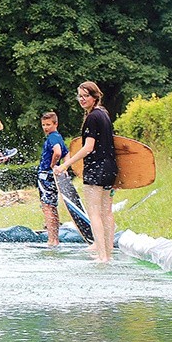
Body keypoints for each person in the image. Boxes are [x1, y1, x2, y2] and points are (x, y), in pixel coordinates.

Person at [54, 81, 117, 262]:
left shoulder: (92, 118)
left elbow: (88, 147)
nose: (82, 99)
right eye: (80, 96)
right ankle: (108, 254)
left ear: (95, 96)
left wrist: (65, 165)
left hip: (96, 169)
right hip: (110, 168)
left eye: (86, 96)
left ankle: (102, 256)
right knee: (106, 212)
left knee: (94, 213)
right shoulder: (104, 114)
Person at [38, 112, 69, 247]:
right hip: (53, 176)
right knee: (52, 205)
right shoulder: (59, 137)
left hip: (46, 174)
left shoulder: (52, 137)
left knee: (47, 206)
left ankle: (52, 240)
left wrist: (52, 164)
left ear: (55, 124)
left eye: (48, 125)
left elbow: (58, 152)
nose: (45, 127)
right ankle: (55, 239)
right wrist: (64, 167)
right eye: (43, 125)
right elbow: (67, 153)